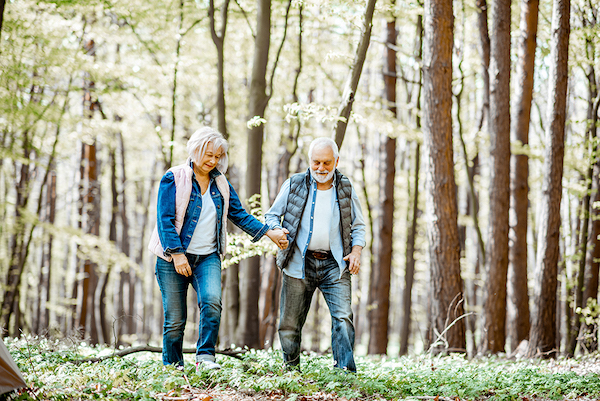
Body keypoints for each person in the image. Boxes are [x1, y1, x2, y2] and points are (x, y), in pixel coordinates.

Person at [148, 127, 289, 370]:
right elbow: (165, 220)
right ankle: (172, 367)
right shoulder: (174, 177)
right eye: (208, 155)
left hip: (208, 257)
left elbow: (240, 215)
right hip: (172, 258)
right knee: (175, 318)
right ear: (195, 150)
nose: (213, 161)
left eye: (218, 156)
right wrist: (178, 254)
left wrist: (270, 232)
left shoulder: (220, 183)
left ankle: (205, 358)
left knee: (212, 302)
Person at [265, 137, 366, 372]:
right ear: (309, 161)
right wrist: (276, 230)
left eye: (327, 163)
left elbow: (359, 226)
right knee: (289, 322)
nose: (321, 168)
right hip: (299, 261)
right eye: (316, 162)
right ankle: (290, 372)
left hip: (335, 263)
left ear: (337, 161)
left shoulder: (345, 187)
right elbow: (271, 216)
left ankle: (344, 374)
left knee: (343, 319)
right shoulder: (294, 184)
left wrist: (357, 251)